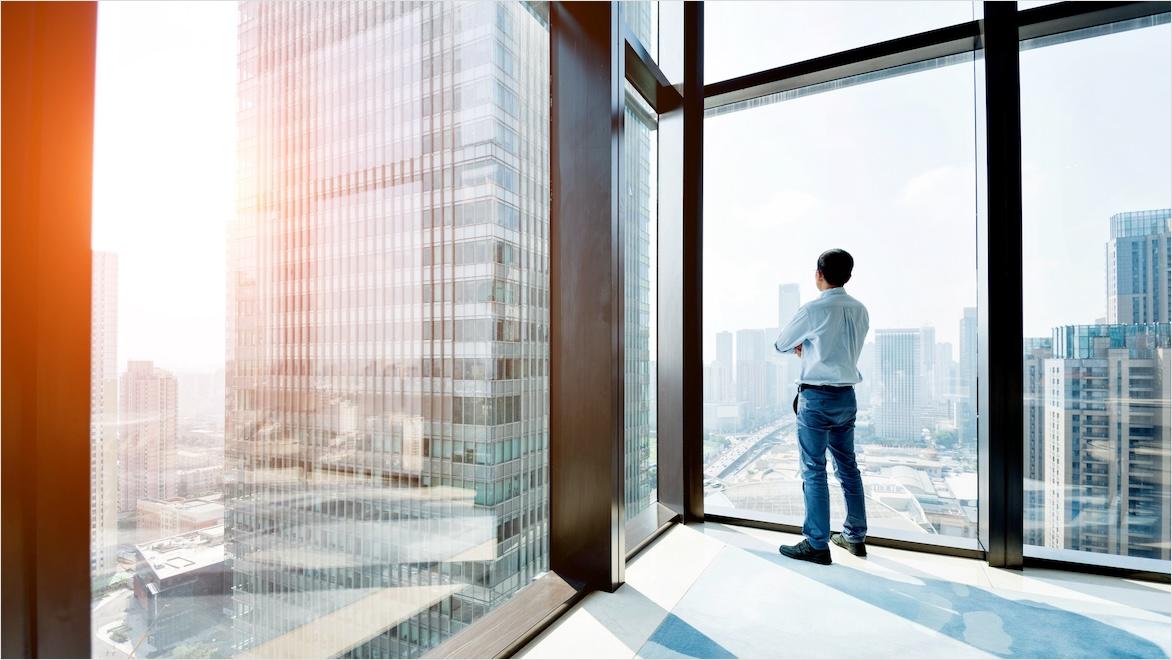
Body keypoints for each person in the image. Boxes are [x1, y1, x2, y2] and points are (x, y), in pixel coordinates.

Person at [773, 249, 869, 565]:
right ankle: (854, 537)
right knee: (847, 467)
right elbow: (842, 348)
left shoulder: (814, 310)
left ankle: (817, 544)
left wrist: (805, 348)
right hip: (846, 397)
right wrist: (813, 348)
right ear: (849, 276)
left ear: (818, 274)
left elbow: (781, 343)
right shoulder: (860, 310)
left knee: (814, 470)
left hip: (816, 399)